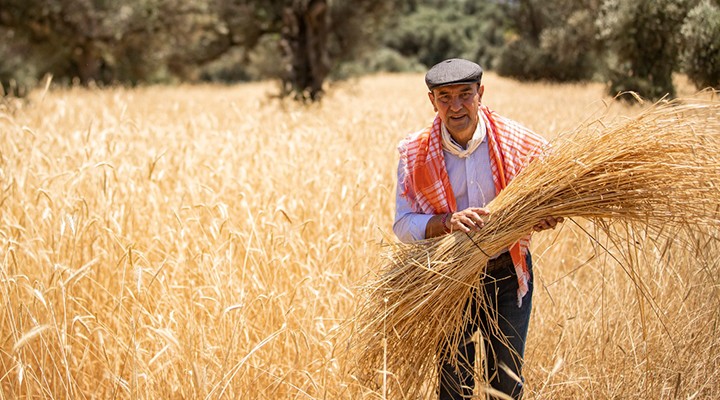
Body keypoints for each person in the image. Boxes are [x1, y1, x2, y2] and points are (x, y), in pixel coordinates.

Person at [393, 58, 563, 399]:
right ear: (432, 101)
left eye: (464, 94)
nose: (455, 106)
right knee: (455, 384)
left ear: (480, 93)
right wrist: (446, 223)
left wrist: (546, 216)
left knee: (506, 382)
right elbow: (402, 225)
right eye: (444, 97)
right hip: (450, 279)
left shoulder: (521, 142)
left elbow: (549, 201)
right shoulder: (413, 153)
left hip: (508, 273)